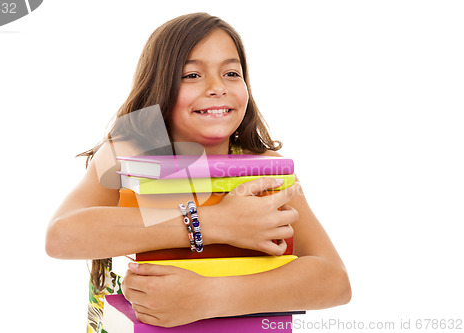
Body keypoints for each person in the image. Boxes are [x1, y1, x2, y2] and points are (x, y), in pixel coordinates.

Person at [45, 12, 351, 331]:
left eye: (232, 72)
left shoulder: (264, 169)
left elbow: (335, 280)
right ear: (159, 84)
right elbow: (62, 236)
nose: (217, 87)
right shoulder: (128, 152)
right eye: (192, 75)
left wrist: (210, 296)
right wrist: (216, 223)